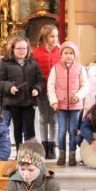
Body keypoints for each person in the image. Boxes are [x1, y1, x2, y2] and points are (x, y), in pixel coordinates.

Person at [0, 37, 46, 151]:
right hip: (14, 102)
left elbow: (41, 80)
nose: (22, 51)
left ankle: (31, 152)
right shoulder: (5, 65)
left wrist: (37, 88)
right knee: (17, 129)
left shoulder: (33, 64)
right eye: (18, 48)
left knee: (30, 129)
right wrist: (9, 87)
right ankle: (19, 151)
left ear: (28, 50)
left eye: (24, 48)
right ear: (12, 49)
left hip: (29, 102)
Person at [47, 41, 89, 166]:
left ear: (75, 55)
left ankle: (72, 154)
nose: (69, 55)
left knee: (73, 130)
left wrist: (78, 96)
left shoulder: (80, 68)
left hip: (75, 106)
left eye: (71, 53)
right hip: (60, 105)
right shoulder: (55, 68)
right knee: (61, 130)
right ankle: (61, 154)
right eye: (66, 53)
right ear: (61, 54)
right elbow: (50, 86)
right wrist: (54, 101)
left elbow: (85, 85)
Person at [32, 24, 61, 159]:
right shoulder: (36, 52)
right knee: (43, 118)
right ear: (45, 37)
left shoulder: (60, 51)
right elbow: (33, 72)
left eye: (56, 36)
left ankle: (52, 146)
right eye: (52, 36)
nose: (55, 39)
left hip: (56, 91)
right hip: (42, 90)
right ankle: (44, 145)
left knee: (54, 119)